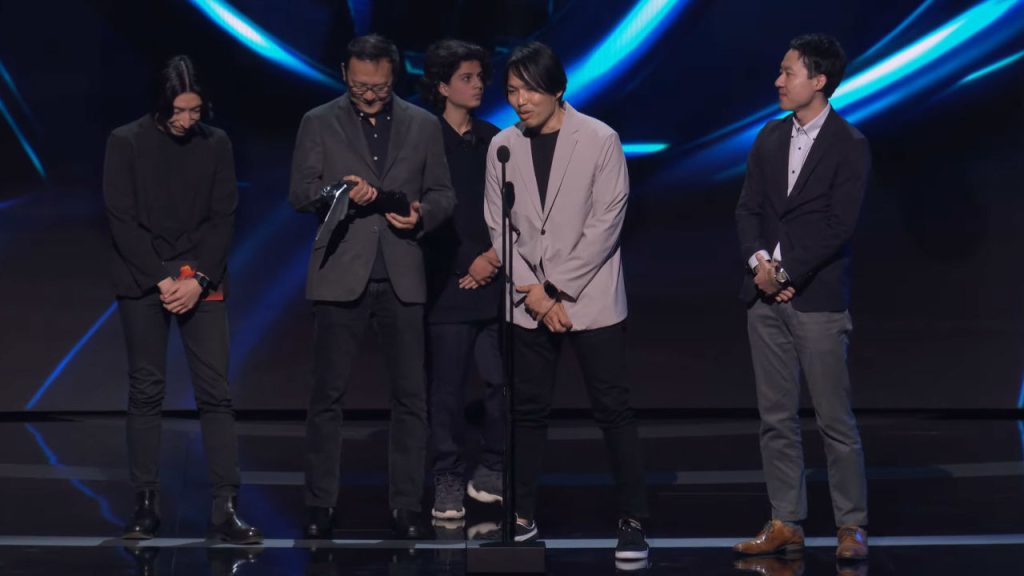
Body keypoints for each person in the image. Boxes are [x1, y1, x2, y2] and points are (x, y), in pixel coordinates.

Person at [483, 41, 649, 562]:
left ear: (557, 88)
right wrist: (533, 290)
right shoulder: (502, 145)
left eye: (530, 90)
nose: (521, 101)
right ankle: (521, 516)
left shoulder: (600, 138)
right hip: (527, 301)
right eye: (512, 91)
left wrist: (552, 288)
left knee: (613, 410)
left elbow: (607, 223)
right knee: (527, 412)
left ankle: (632, 520)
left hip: (589, 297)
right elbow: (498, 226)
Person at [289, 34, 456, 539]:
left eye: (379, 87)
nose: (369, 95)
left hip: (402, 272)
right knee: (327, 396)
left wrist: (422, 215)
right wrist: (339, 191)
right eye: (361, 86)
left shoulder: (423, 124)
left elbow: (443, 193)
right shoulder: (318, 121)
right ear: (345, 74)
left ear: (393, 77)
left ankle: (406, 505)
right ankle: (320, 504)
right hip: (341, 272)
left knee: (410, 397)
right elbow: (301, 193)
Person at [103, 54, 261, 544]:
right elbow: (121, 219)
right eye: (178, 110)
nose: (187, 120)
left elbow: (223, 217)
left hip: (201, 277)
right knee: (146, 390)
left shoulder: (216, 143)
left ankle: (225, 507)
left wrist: (199, 279)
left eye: (195, 110)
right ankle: (145, 504)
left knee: (216, 392)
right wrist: (160, 278)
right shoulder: (125, 141)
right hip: (144, 279)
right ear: (160, 102)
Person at [733, 34, 870, 561]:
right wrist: (761, 267)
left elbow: (839, 225)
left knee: (834, 420)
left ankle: (851, 525)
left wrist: (786, 271)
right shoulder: (769, 136)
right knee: (776, 418)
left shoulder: (849, 144)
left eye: (788, 72)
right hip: (764, 299)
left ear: (819, 80)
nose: (778, 81)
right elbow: (748, 209)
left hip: (817, 300)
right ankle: (785, 520)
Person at [418, 38, 506, 523]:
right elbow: (424, 214)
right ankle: (447, 475)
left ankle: (493, 467)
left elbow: (511, 210)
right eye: (466, 78)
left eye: (479, 77)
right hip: (446, 284)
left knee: (500, 383)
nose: (477, 86)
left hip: (493, 279)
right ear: (441, 85)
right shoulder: (422, 139)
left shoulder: (496, 140)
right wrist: (465, 263)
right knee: (446, 390)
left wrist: (491, 259)